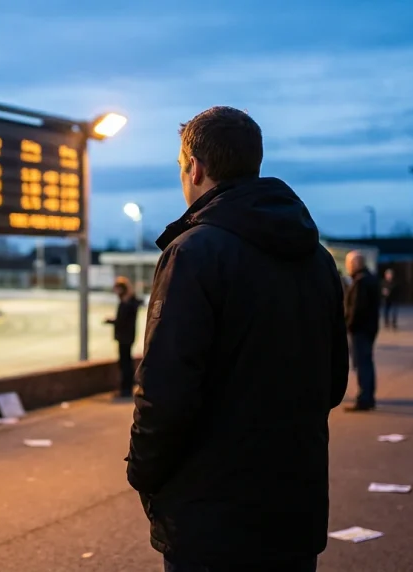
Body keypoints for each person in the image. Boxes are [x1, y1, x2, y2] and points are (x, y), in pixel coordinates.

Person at [126, 106, 348, 572]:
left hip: (212, 516)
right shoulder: (317, 259)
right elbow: (333, 383)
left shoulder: (194, 253)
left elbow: (165, 389)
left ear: (195, 167)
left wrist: (143, 472)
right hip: (295, 505)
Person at [344, 251, 380, 411]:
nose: (347, 267)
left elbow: (357, 309)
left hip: (360, 329)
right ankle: (368, 395)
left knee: (362, 363)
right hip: (369, 328)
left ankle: (364, 398)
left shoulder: (361, 282)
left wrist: (348, 325)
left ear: (355, 264)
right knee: (367, 362)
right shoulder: (370, 279)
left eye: (348, 264)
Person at [104, 276, 141, 398]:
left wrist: (111, 321)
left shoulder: (127, 303)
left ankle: (126, 389)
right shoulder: (130, 301)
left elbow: (123, 321)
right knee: (126, 362)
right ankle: (126, 388)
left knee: (125, 363)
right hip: (126, 336)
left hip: (125, 336)